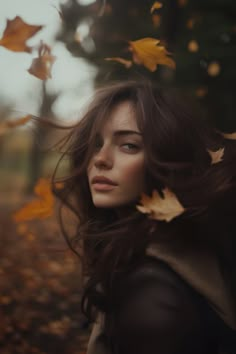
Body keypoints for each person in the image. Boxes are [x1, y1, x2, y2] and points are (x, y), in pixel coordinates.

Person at [52, 80, 236, 354]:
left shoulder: (150, 298)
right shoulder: (180, 252)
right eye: (96, 143)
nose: (100, 159)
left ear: (167, 157)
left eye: (128, 145)